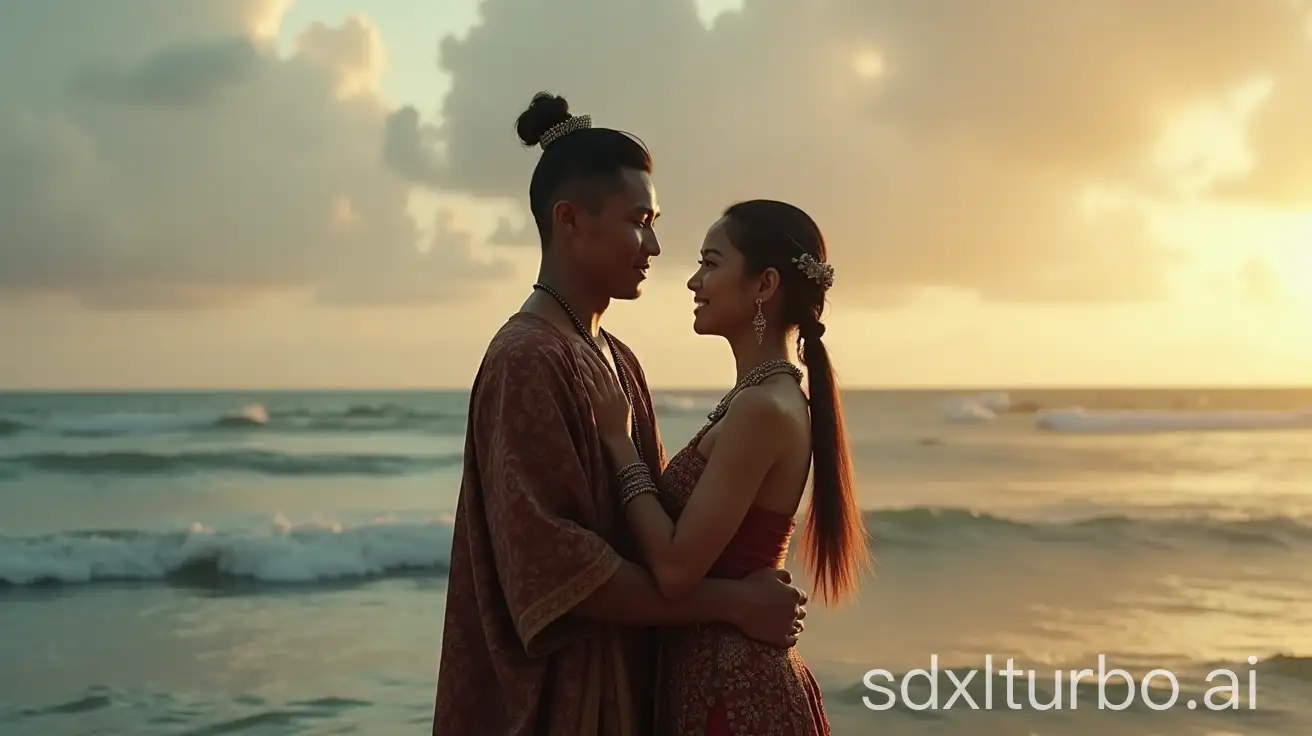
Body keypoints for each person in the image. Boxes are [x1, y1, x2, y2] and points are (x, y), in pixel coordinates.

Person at [431, 94, 810, 736]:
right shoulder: (527, 358)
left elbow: (655, 527)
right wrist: (734, 603)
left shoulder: (617, 359)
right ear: (570, 219)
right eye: (639, 220)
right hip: (562, 700)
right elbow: (555, 564)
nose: (656, 245)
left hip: (634, 687)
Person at [575, 199, 871, 735]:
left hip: (733, 696)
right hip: (711, 681)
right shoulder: (755, 399)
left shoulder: (764, 408)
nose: (693, 281)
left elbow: (674, 568)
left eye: (711, 263)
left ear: (764, 285)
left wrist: (619, 444)